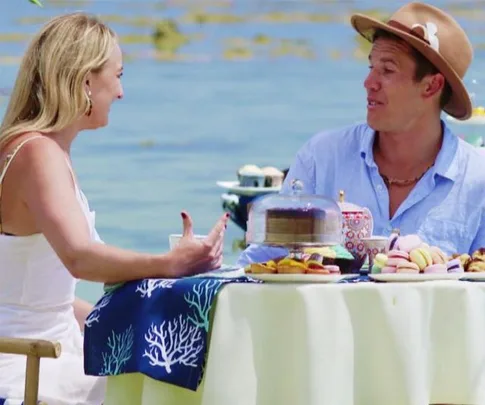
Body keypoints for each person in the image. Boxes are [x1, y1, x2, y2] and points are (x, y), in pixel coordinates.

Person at [0, 12, 228, 405]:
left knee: (174, 372)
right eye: (118, 75)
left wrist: (125, 321)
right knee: (174, 390)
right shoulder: (37, 153)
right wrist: (170, 263)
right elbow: (79, 258)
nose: (121, 92)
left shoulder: (36, 149)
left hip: (48, 348)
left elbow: (39, 295)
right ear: (86, 80)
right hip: (27, 368)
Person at [238, 2, 485, 267]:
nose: (369, 83)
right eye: (371, 67)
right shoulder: (321, 159)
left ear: (431, 85)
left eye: (387, 70)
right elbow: (258, 267)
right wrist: (199, 265)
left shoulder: (478, 180)